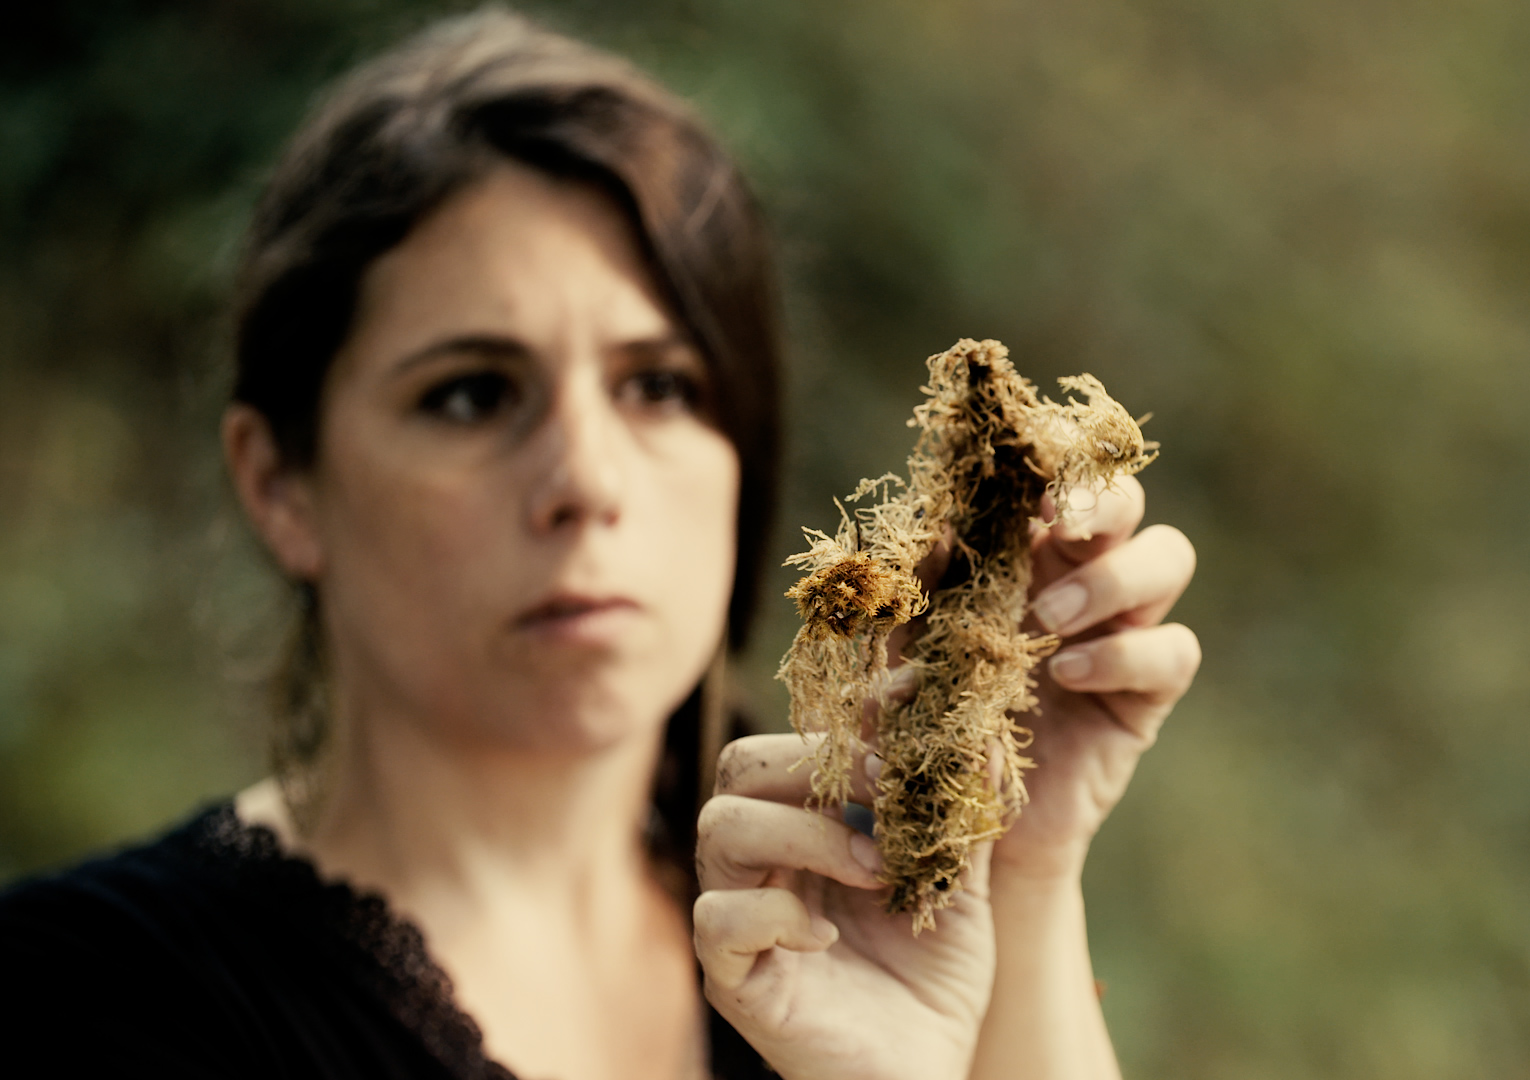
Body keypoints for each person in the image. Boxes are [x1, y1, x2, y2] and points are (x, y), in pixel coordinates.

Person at [0, 10, 1200, 1080]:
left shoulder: (849, 886)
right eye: (472, 395)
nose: (586, 480)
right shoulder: (84, 995)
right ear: (281, 484)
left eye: (662, 387)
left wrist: (1022, 871)